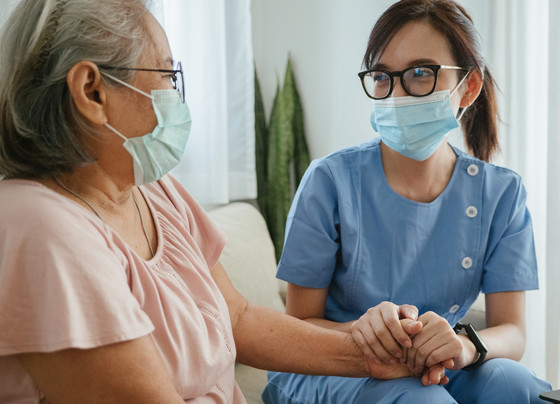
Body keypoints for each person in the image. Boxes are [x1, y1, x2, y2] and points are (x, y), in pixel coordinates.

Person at [0, 0, 455, 402]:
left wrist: (369, 356)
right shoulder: (38, 226)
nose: (176, 96)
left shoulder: (154, 189)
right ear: (92, 92)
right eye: (167, 73)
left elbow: (237, 316)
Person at [262, 0, 552, 403]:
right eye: (382, 76)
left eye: (420, 73)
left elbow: (513, 331)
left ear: (468, 86)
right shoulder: (329, 181)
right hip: (335, 364)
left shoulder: (501, 193)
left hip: (439, 366)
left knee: (514, 384)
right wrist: (373, 332)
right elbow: (301, 327)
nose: (397, 94)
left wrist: (462, 344)